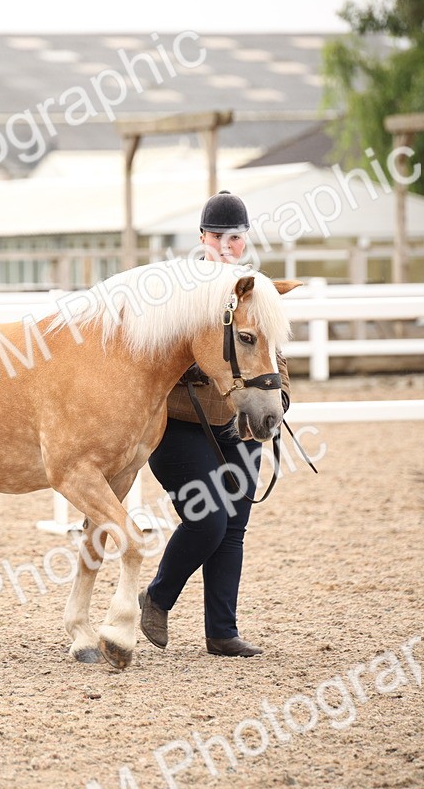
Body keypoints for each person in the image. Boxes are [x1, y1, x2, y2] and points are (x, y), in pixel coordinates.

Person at [137, 191, 290, 657]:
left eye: (235, 237)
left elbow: (272, 354)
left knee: (235, 526)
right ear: (202, 237)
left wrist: (280, 397)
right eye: (218, 236)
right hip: (182, 423)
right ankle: (157, 597)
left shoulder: (256, 291)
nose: (226, 245)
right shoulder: (177, 292)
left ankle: (222, 632)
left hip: (239, 423)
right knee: (208, 520)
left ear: (245, 240)